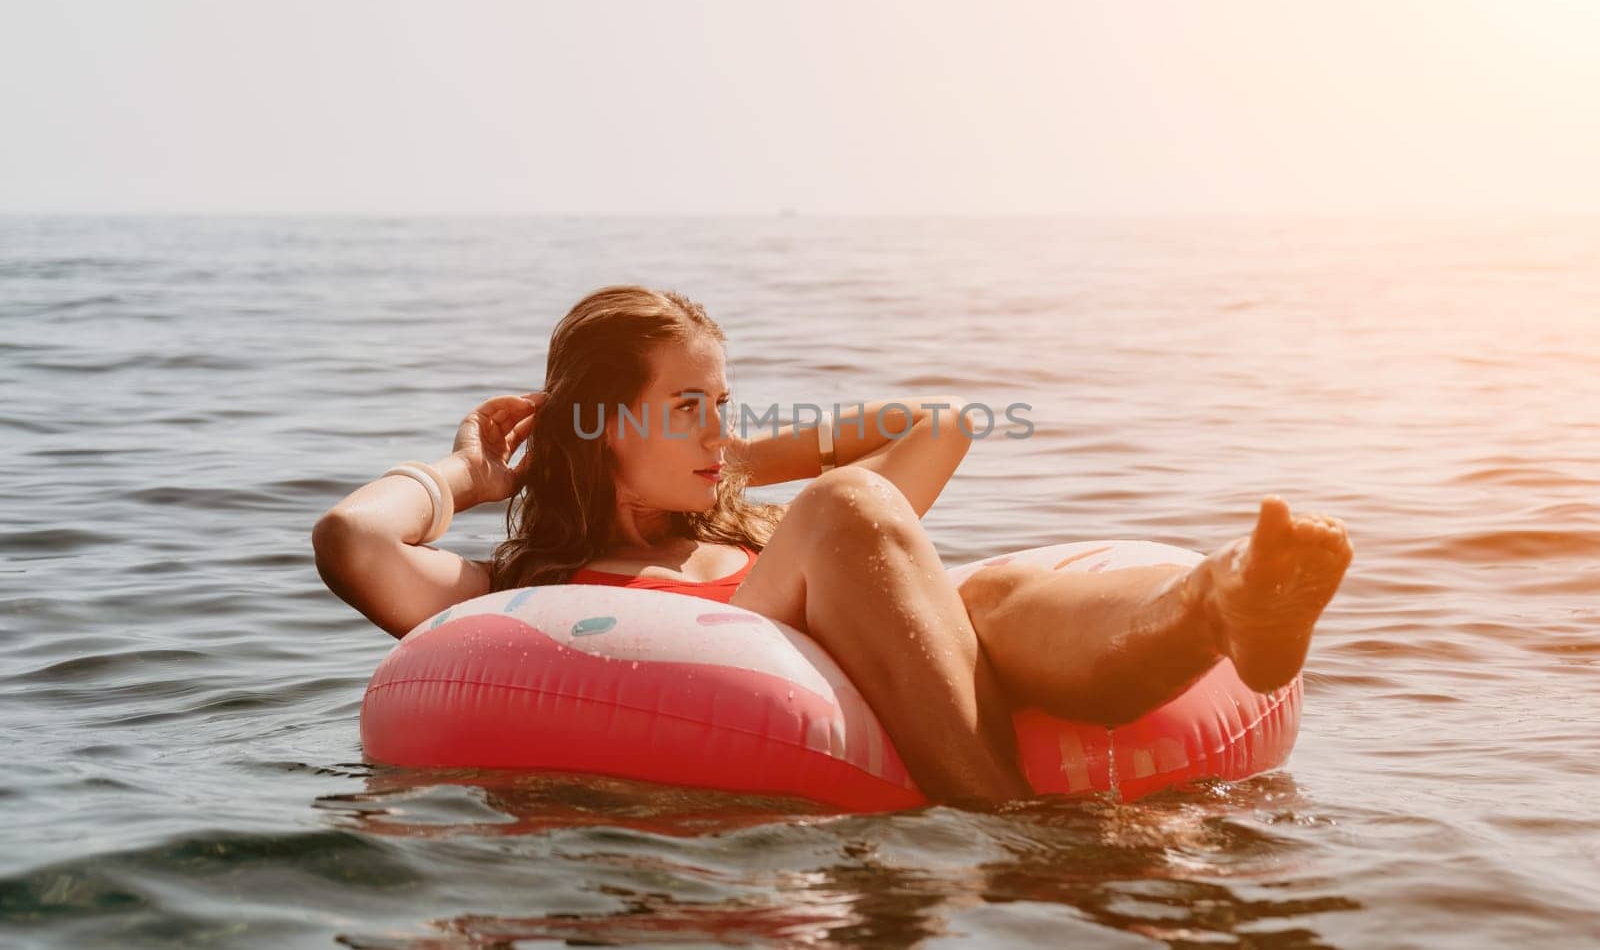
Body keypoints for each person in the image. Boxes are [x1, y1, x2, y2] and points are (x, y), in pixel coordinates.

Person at [312, 285, 1353, 805]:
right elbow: (352, 539)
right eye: (687, 404)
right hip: (781, 712)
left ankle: (1219, 603)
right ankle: (1005, 820)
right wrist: (475, 473)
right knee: (852, 505)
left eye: (722, 401)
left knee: (989, 595)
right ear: (603, 420)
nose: (719, 424)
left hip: (908, 656)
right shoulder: (516, 585)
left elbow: (939, 423)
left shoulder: (764, 523)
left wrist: (719, 460)